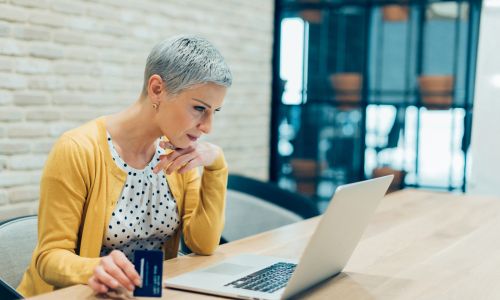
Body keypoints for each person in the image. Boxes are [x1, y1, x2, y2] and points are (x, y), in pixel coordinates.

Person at [17, 35, 232, 297]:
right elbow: (48, 257)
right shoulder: (77, 149)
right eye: (199, 108)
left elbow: (204, 244)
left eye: (214, 112)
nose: (208, 127)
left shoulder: (175, 153)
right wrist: (92, 269)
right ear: (157, 89)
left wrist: (216, 167)